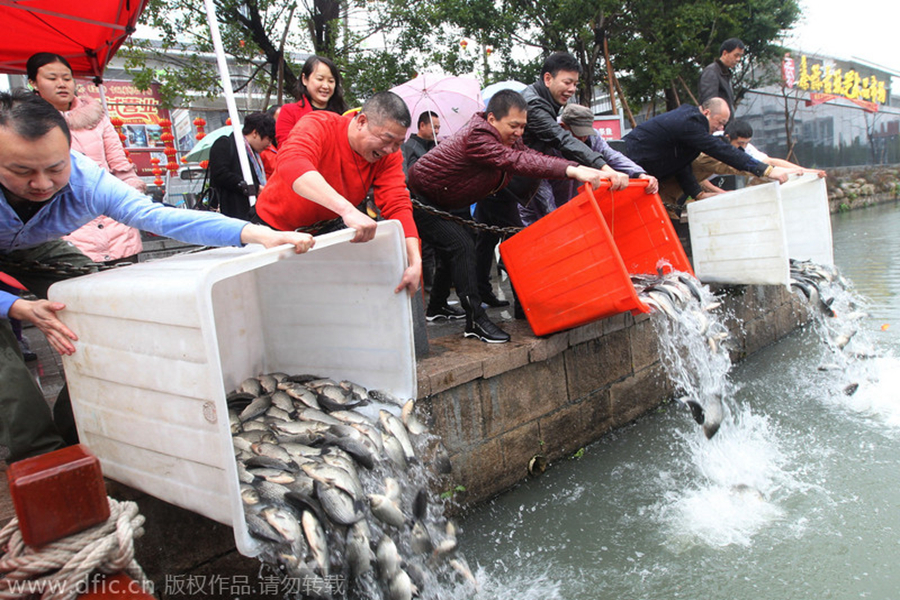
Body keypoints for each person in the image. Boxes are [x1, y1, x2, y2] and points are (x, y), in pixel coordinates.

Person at [0, 90, 315, 464]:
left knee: (97, 310)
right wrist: (14, 306)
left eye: (55, 169)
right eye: (22, 171)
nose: (41, 184)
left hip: (34, 248)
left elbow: (159, 217)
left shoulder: (87, 181)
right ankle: (42, 457)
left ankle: (79, 432)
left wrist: (254, 233)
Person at [408, 90, 608, 343]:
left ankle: (440, 305)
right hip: (421, 199)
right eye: (514, 126)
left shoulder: (507, 139)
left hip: (451, 197)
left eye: (523, 126)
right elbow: (516, 160)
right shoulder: (479, 136)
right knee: (461, 245)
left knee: (470, 248)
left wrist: (583, 166)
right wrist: (573, 170)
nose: (519, 133)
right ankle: (475, 321)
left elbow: (530, 156)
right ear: (492, 119)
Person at [254, 91, 422, 297]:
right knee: (276, 298)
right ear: (361, 122)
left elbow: (397, 202)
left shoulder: (389, 155)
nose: (390, 150)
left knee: (326, 298)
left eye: (398, 143)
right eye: (387, 140)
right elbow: (292, 164)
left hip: (325, 234)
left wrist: (415, 260)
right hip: (274, 229)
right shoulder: (319, 124)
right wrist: (346, 210)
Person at [27, 52, 144, 264]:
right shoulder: (25, 124)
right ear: (33, 83)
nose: (61, 84)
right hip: (66, 226)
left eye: (67, 78)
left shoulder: (96, 117)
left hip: (114, 222)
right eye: (52, 78)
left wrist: (133, 200)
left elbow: (120, 167)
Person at [623, 97, 795, 210]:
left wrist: (697, 193)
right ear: (707, 113)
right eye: (720, 122)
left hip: (646, 177)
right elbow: (723, 152)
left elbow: (681, 163)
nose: (721, 128)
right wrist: (766, 170)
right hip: (628, 170)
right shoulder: (690, 124)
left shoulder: (689, 124)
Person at [520, 103, 656, 226]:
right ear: (562, 127)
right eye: (578, 134)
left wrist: (639, 173)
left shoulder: (592, 137)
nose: (583, 139)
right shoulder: (545, 138)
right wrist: (556, 218)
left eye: (586, 134)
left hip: (570, 204)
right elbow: (540, 186)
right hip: (536, 210)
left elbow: (611, 155)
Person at [401, 112, 464, 322]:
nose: (437, 131)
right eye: (433, 127)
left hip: (437, 207)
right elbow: (409, 178)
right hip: (422, 210)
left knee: (444, 254)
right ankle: (430, 294)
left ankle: (438, 301)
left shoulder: (434, 147)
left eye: (438, 127)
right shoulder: (409, 147)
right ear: (421, 125)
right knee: (428, 253)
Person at [208, 112, 274, 220]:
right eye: (269, 139)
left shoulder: (254, 155)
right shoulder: (225, 144)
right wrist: (253, 188)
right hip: (230, 213)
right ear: (255, 133)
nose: (269, 144)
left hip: (252, 214)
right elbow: (220, 174)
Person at [275, 55, 347, 147]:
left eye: (331, 81)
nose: (326, 86)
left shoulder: (344, 116)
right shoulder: (289, 112)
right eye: (320, 79)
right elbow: (285, 147)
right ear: (305, 79)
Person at [698, 38, 745, 114]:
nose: (738, 59)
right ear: (725, 53)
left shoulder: (726, 73)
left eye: (740, 56)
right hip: (717, 120)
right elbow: (709, 104)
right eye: (736, 55)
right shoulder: (711, 72)